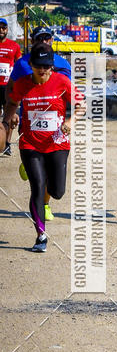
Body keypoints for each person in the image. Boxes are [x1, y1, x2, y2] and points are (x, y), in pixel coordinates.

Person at [2, 44, 84, 252]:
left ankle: (40, 172)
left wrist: (70, 123)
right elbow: (12, 102)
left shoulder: (62, 82)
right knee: (37, 186)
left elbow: (81, 106)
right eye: (38, 66)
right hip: (30, 143)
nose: (43, 70)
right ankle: (40, 235)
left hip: (57, 142)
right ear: (31, 65)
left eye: (47, 66)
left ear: (52, 66)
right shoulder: (22, 84)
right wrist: (10, 117)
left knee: (57, 191)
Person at [7, 24, 71, 219]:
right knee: (38, 175)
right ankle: (41, 204)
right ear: (33, 41)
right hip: (29, 120)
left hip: (55, 125)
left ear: (52, 41)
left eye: (47, 38)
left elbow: (67, 92)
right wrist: (13, 112)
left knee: (53, 176)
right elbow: (12, 89)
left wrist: (69, 119)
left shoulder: (62, 64)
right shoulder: (22, 63)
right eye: (39, 39)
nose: (43, 42)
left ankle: (46, 202)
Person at [0, 17, 22, 156]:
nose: (1, 30)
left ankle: (7, 144)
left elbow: (19, 65)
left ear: (7, 29)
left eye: (4, 27)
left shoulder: (14, 46)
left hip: (8, 86)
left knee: (10, 117)